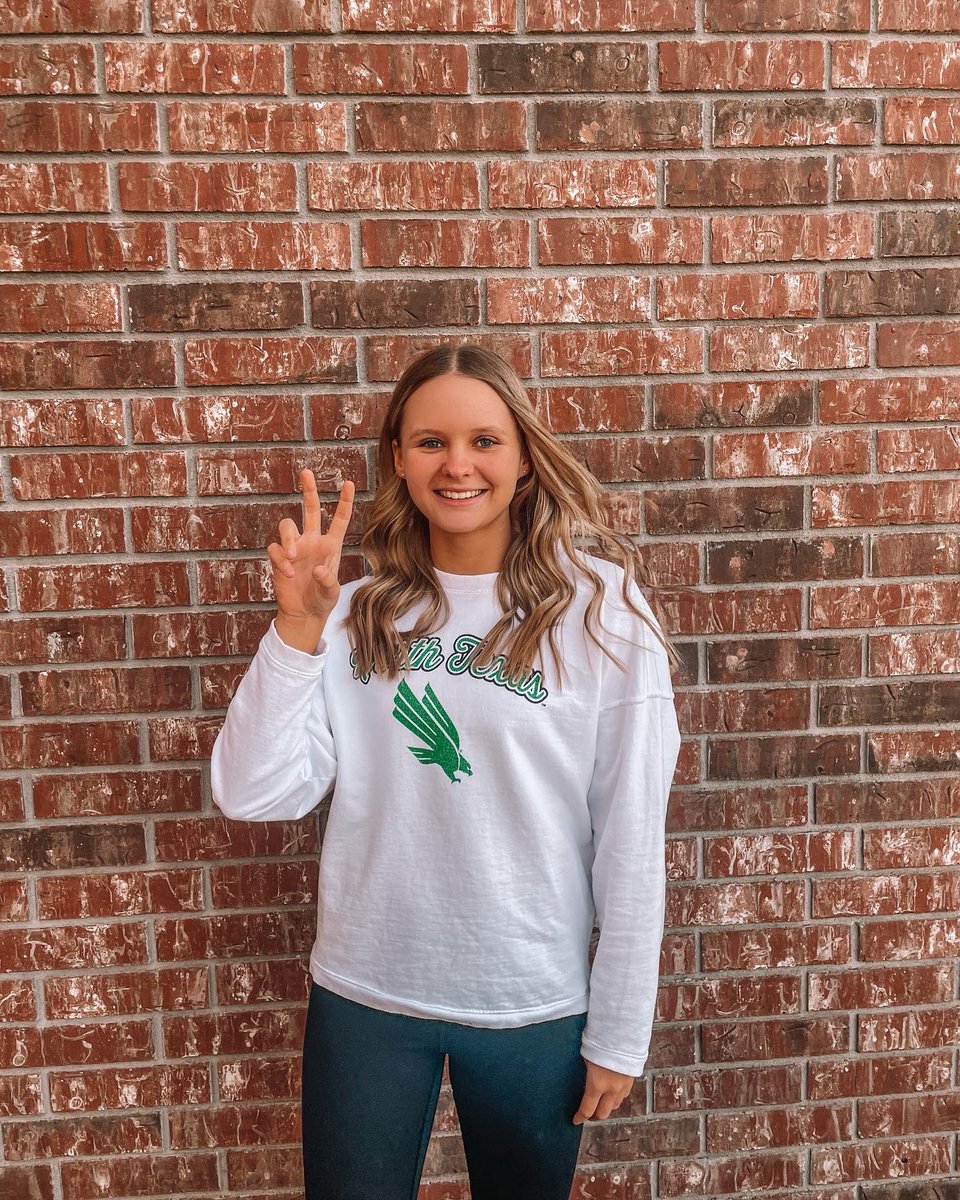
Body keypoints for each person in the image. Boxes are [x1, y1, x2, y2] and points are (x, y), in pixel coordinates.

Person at [210, 343, 683, 1200]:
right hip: (367, 1000)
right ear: (397, 457)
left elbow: (632, 833)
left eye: (484, 441)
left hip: (530, 1005)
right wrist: (294, 633)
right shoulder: (354, 612)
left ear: (525, 456)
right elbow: (253, 793)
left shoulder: (601, 611)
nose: (457, 464)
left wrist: (618, 1030)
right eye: (430, 442)